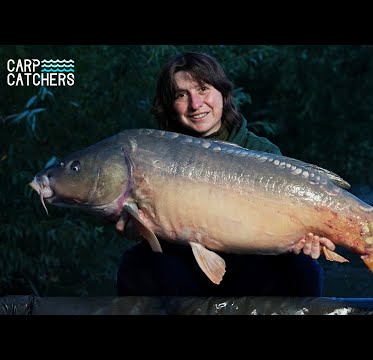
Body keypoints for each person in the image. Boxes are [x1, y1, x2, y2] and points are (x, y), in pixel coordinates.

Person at [116, 52, 325, 297]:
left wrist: (305, 240)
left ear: (223, 94)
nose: (195, 104)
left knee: (303, 269)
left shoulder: (262, 151)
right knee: (137, 266)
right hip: (184, 265)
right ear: (170, 105)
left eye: (203, 89)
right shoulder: (153, 154)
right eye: (181, 95)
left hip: (250, 265)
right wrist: (141, 230)